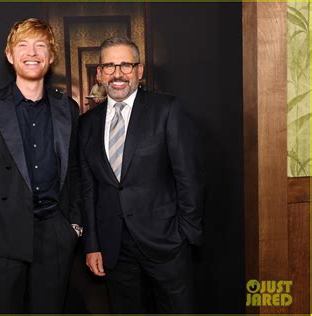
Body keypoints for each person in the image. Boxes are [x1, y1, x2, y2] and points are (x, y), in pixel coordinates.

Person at [0, 18, 82, 313]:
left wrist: (74, 227)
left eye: (41, 46)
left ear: (51, 57)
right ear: (10, 54)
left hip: (54, 234)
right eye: (23, 45)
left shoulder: (68, 108)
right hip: (2, 237)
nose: (32, 53)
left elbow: (77, 172)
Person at [79, 36, 205, 313]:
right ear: (99, 73)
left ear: (140, 70)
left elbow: (189, 178)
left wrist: (184, 234)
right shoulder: (87, 124)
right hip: (114, 247)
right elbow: (89, 189)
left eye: (126, 65)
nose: (118, 74)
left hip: (166, 242)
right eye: (109, 66)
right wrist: (92, 244)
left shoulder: (167, 110)